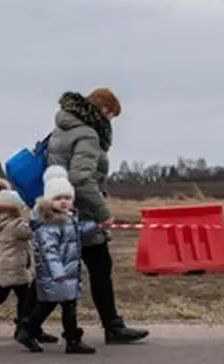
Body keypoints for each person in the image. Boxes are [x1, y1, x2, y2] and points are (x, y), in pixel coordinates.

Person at [45, 88, 149, 344]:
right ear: (103, 110)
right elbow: (81, 178)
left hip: (59, 208)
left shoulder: (63, 127)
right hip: (81, 212)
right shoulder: (88, 134)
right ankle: (113, 327)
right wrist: (102, 212)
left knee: (54, 270)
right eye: (111, 115)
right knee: (100, 267)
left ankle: (27, 324)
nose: (111, 121)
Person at [15, 166, 110, 354]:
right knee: (50, 305)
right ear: (49, 200)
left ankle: (65, 337)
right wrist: (58, 273)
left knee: (66, 305)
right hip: (56, 275)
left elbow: (77, 233)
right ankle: (34, 330)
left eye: (67, 198)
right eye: (58, 199)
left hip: (68, 273)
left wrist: (96, 226)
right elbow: (49, 252)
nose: (64, 202)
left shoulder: (68, 219)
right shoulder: (49, 225)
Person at [0, 178, 58, 343]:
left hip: (6, 265)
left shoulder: (1, 223)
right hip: (15, 267)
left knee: (1, 295)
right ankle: (24, 328)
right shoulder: (16, 226)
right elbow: (33, 231)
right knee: (25, 298)